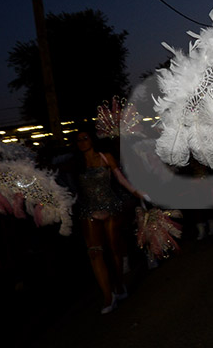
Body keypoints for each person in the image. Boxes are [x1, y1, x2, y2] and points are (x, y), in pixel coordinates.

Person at [74, 128, 145, 314]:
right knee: (95, 254)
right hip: (88, 210)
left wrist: (139, 193)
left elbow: (120, 180)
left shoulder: (105, 157)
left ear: (92, 140)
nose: (82, 142)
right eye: (78, 140)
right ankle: (107, 296)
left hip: (111, 207)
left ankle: (119, 285)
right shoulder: (76, 163)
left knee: (114, 248)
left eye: (85, 137)